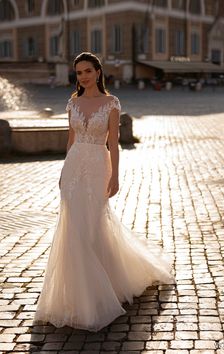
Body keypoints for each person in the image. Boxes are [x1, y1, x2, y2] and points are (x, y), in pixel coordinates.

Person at [33, 52, 175, 332]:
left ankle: (105, 283)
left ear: (98, 72)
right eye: (79, 73)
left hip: (99, 166)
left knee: (94, 224)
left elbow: (114, 142)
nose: (83, 76)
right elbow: (70, 139)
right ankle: (78, 290)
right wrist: (64, 172)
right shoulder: (72, 103)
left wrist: (116, 176)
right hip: (74, 168)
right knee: (73, 225)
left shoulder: (111, 103)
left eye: (88, 71)